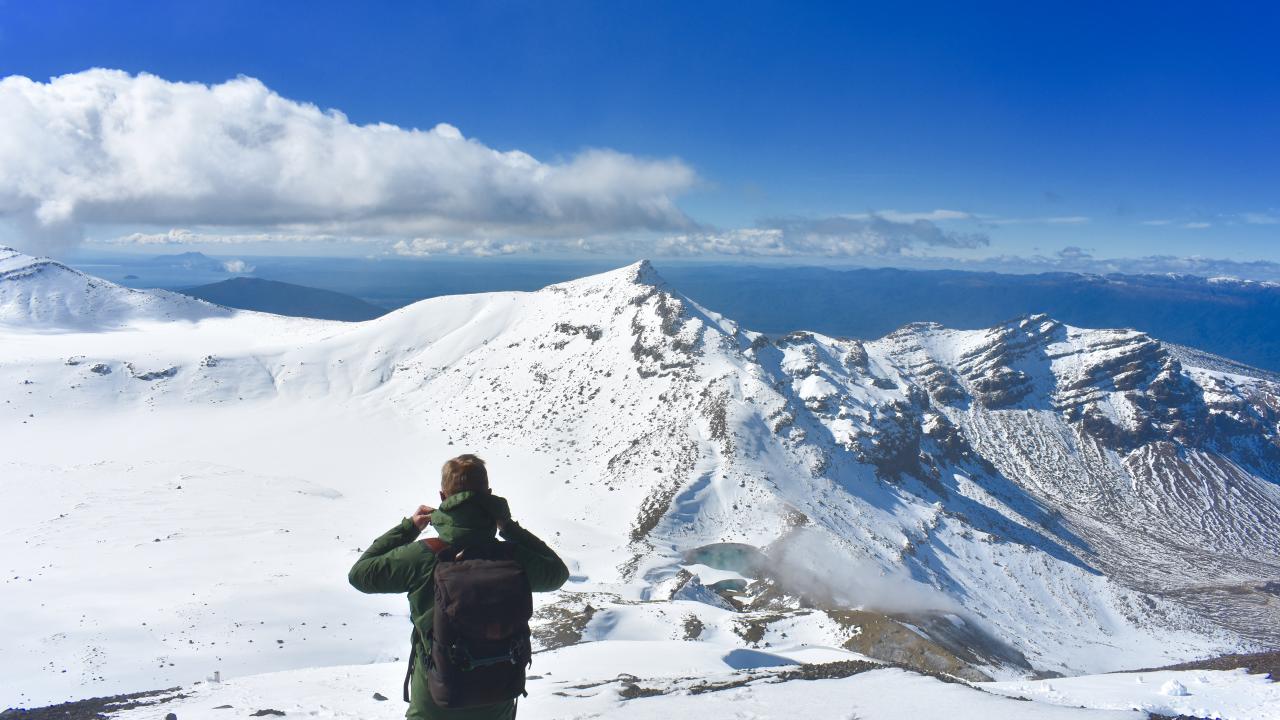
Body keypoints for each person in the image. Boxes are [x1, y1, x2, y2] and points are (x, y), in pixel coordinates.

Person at [349, 454, 569, 720]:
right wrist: (509, 528)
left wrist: (409, 528)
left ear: (443, 497)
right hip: (497, 697)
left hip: (435, 699)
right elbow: (557, 573)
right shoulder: (512, 556)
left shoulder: (423, 556)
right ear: (488, 496)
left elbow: (360, 575)